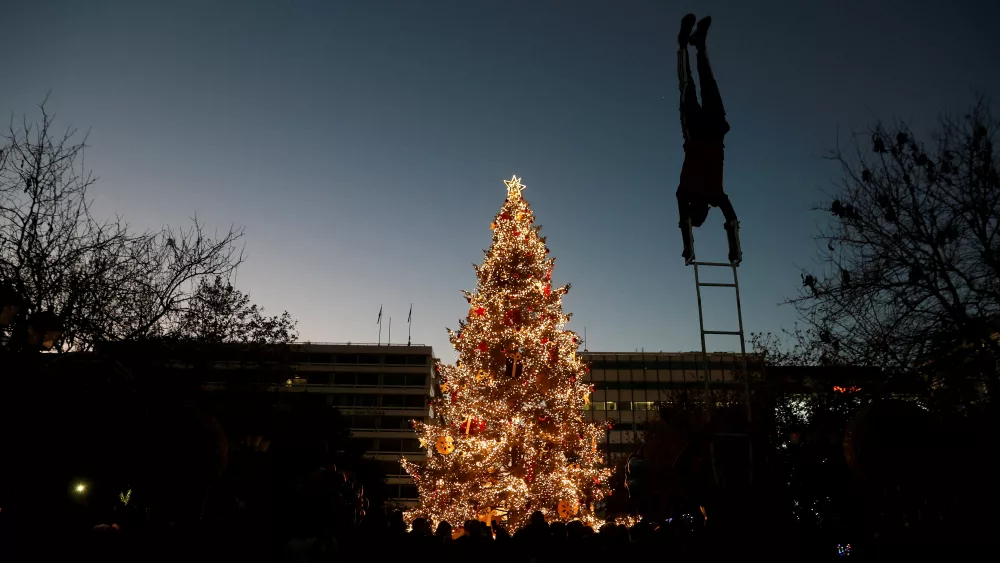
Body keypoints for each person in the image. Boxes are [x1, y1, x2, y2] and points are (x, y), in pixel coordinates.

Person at [675, 14, 742, 265]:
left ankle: (687, 43)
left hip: (707, 132)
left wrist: (689, 248)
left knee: (696, 84)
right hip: (709, 132)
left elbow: (731, 221)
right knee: (697, 84)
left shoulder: (705, 194)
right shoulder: (701, 194)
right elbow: (730, 221)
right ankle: (696, 44)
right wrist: (735, 251)